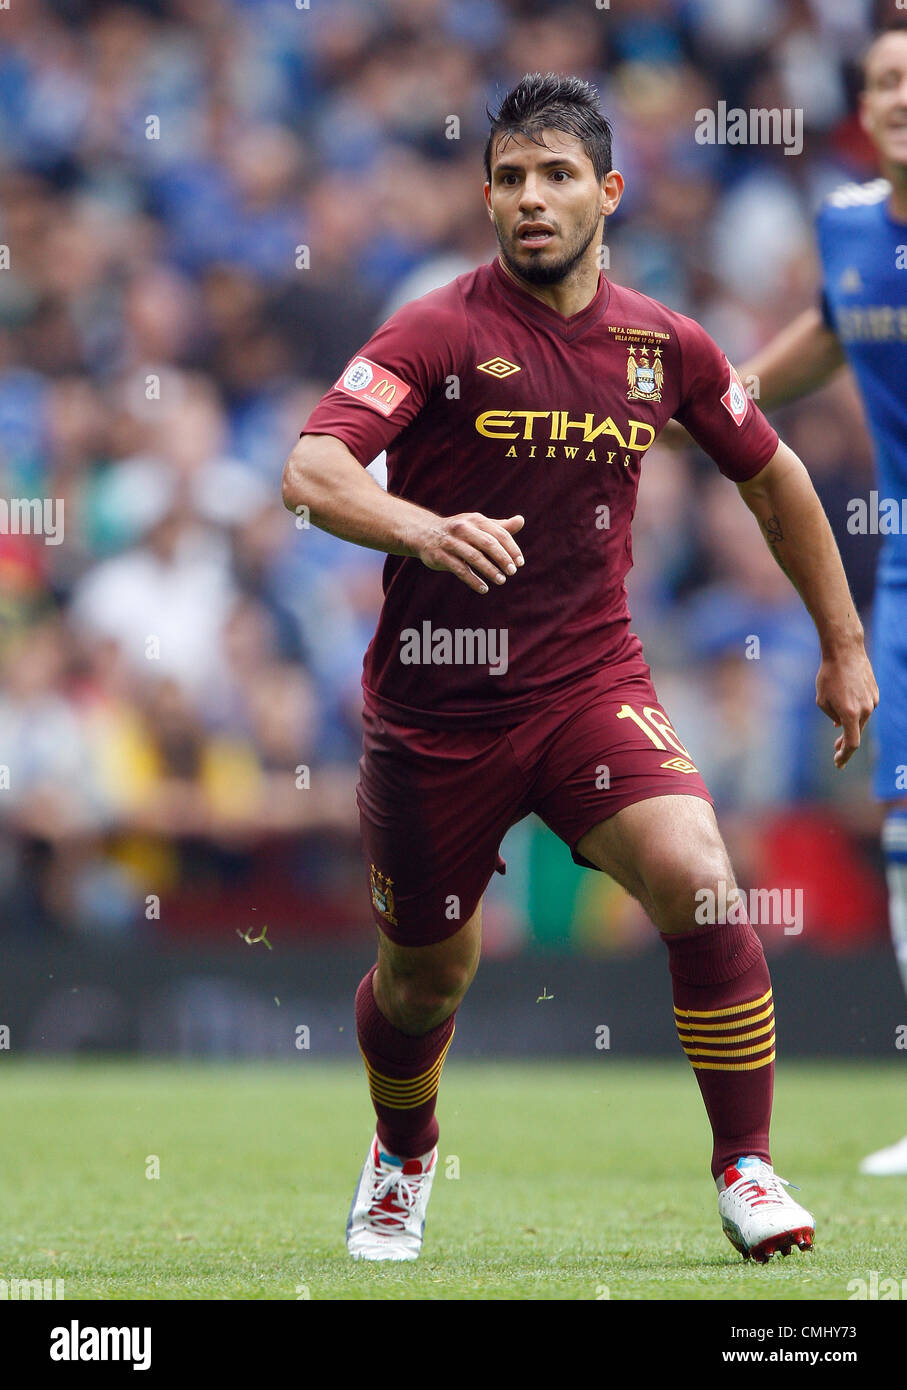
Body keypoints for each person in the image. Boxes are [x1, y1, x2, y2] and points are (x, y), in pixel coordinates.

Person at [281, 73, 877, 1262]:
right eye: (508, 179)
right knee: (423, 983)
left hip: (585, 687)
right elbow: (312, 469)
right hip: (434, 708)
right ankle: (403, 1153)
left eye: (555, 176)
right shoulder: (435, 331)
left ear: (607, 192)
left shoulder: (664, 346)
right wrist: (420, 528)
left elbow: (772, 478)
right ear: (487, 199)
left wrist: (843, 643)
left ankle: (745, 1165)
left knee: (698, 872)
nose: (530, 199)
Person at [738, 25, 907, 1177]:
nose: (896, 97)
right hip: (901, 568)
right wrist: (720, 394)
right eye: (884, 82)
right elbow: (828, 336)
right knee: (902, 832)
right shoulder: (849, 224)